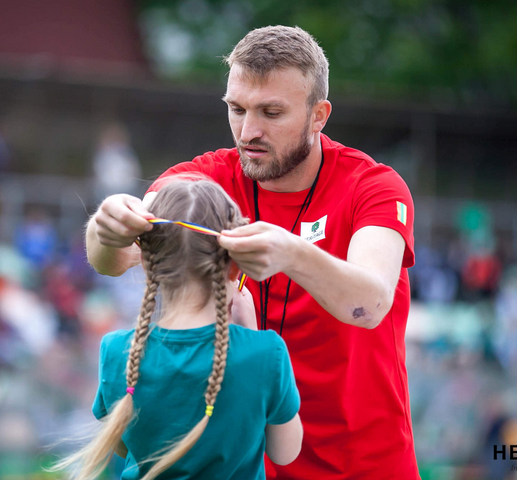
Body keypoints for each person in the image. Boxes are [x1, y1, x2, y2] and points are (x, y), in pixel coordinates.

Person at [86, 26, 419, 479]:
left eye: (271, 112)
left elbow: (370, 304)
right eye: (236, 109)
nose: (249, 131)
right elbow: (115, 259)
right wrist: (106, 229)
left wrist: (294, 254)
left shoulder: (374, 186)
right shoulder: (203, 180)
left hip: (362, 465)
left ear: (319, 115)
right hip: (244, 467)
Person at [60, 180, 303, 480]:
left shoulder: (115, 351)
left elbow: (125, 445)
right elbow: (285, 451)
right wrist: (250, 331)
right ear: (235, 266)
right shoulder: (266, 353)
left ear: (148, 265)